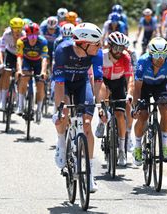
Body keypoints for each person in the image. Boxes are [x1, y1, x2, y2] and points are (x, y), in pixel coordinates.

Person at [52, 23, 103, 193]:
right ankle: (61, 142)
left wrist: (98, 104)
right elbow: (59, 84)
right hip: (64, 84)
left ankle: (89, 173)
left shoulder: (97, 53)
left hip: (82, 84)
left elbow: (97, 80)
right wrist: (60, 107)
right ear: (84, 43)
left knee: (87, 125)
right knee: (64, 112)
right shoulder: (62, 50)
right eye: (97, 43)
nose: (100, 46)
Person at [131, 37, 167, 166]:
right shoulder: (143, 61)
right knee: (143, 115)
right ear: (151, 54)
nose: (160, 58)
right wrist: (135, 106)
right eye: (157, 55)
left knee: (165, 110)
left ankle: (164, 147)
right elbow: (137, 88)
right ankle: (137, 147)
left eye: (163, 55)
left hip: (160, 85)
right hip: (144, 87)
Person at [96, 31, 134, 166]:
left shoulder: (126, 57)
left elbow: (130, 78)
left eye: (122, 48)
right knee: (104, 92)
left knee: (120, 114)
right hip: (104, 81)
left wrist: (129, 93)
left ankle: (122, 149)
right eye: (116, 47)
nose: (119, 51)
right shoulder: (102, 55)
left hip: (119, 83)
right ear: (110, 46)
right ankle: (102, 121)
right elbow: (97, 77)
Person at [15, 22, 48, 123]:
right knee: (23, 78)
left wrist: (43, 71)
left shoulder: (43, 42)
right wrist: (19, 70)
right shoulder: (21, 41)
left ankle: (39, 110)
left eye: (34, 35)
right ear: (26, 35)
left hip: (38, 62)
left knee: (40, 85)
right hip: (27, 61)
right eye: (30, 35)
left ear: (38, 34)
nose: (32, 38)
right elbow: (19, 57)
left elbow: (44, 59)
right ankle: (20, 106)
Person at [0, 17, 25, 111]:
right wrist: (1, 63)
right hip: (9, 54)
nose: (17, 32)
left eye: (20, 29)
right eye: (15, 29)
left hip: (20, 55)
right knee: (6, 73)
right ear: (11, 28)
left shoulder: (24, 35)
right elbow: (1, 50)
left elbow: (23, 53)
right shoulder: (6, 34)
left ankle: (19, 98)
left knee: (20, 75)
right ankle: (3, 101)